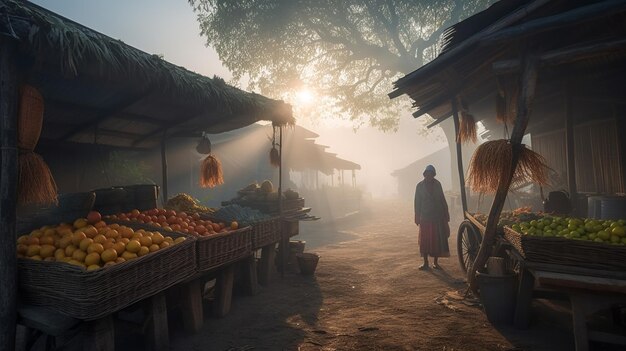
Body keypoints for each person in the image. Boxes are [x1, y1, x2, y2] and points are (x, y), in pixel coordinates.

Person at [414, 165, 450, 270]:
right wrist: (417, 216)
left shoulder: (438, 184)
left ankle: (435, 262)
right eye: (427, 174)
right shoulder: (419, 186)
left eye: (431, 174)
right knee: (425, 240)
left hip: (437, 216)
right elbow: (417, 202)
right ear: (424, 174)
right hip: (424, 216)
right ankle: (425, 262)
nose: (429, 176)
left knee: (436, 240)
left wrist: (446, 214)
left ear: (433, 175)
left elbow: (442, 199)